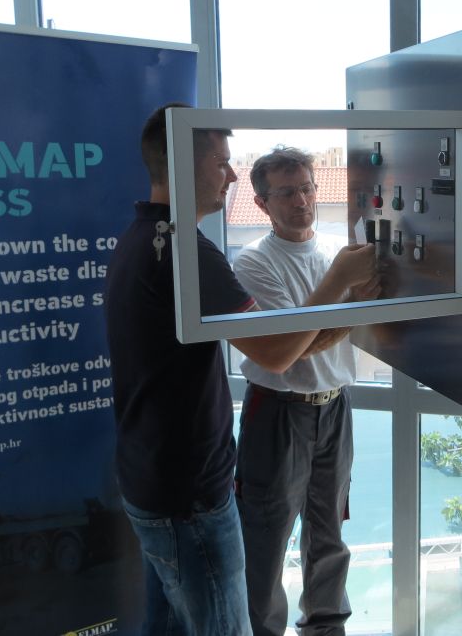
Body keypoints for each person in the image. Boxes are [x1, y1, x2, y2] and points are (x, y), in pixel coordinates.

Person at [105, 106, 375, 636]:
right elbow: (278, 352)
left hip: (162, 479)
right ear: (184, 164)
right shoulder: (190, 254)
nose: (230, 174)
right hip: (189, 490)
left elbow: (293, 342)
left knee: (173, 623)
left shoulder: (146, 239)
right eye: (221, 162)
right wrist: (343, 282)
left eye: (307, 189)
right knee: (242, 593)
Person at [233, 146, 380, 636]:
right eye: (286, 193)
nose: (301, 200)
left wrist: (344, 303)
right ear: (261, 204)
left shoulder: (340, 252)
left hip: (336, 407)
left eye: (307, 188)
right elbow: (289, 350)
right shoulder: (253, 263)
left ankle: (327, 627)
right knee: (266, 538)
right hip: (276, 413)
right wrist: (344, 295)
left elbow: (313, 336)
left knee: (329, 531)